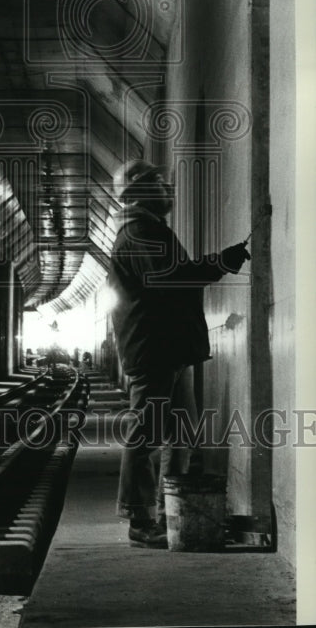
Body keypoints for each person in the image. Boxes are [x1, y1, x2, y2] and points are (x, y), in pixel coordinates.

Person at [108, 159, 250, 548]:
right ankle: (139, 520)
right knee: (147, 434)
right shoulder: (138, 232)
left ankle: (168, 512)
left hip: (167, 348)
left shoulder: (149, 229)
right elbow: (170, 280)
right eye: (158, 183)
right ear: (138, 191)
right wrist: (219, 263)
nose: (167, 189)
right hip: (153, 350)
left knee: (180, 432)